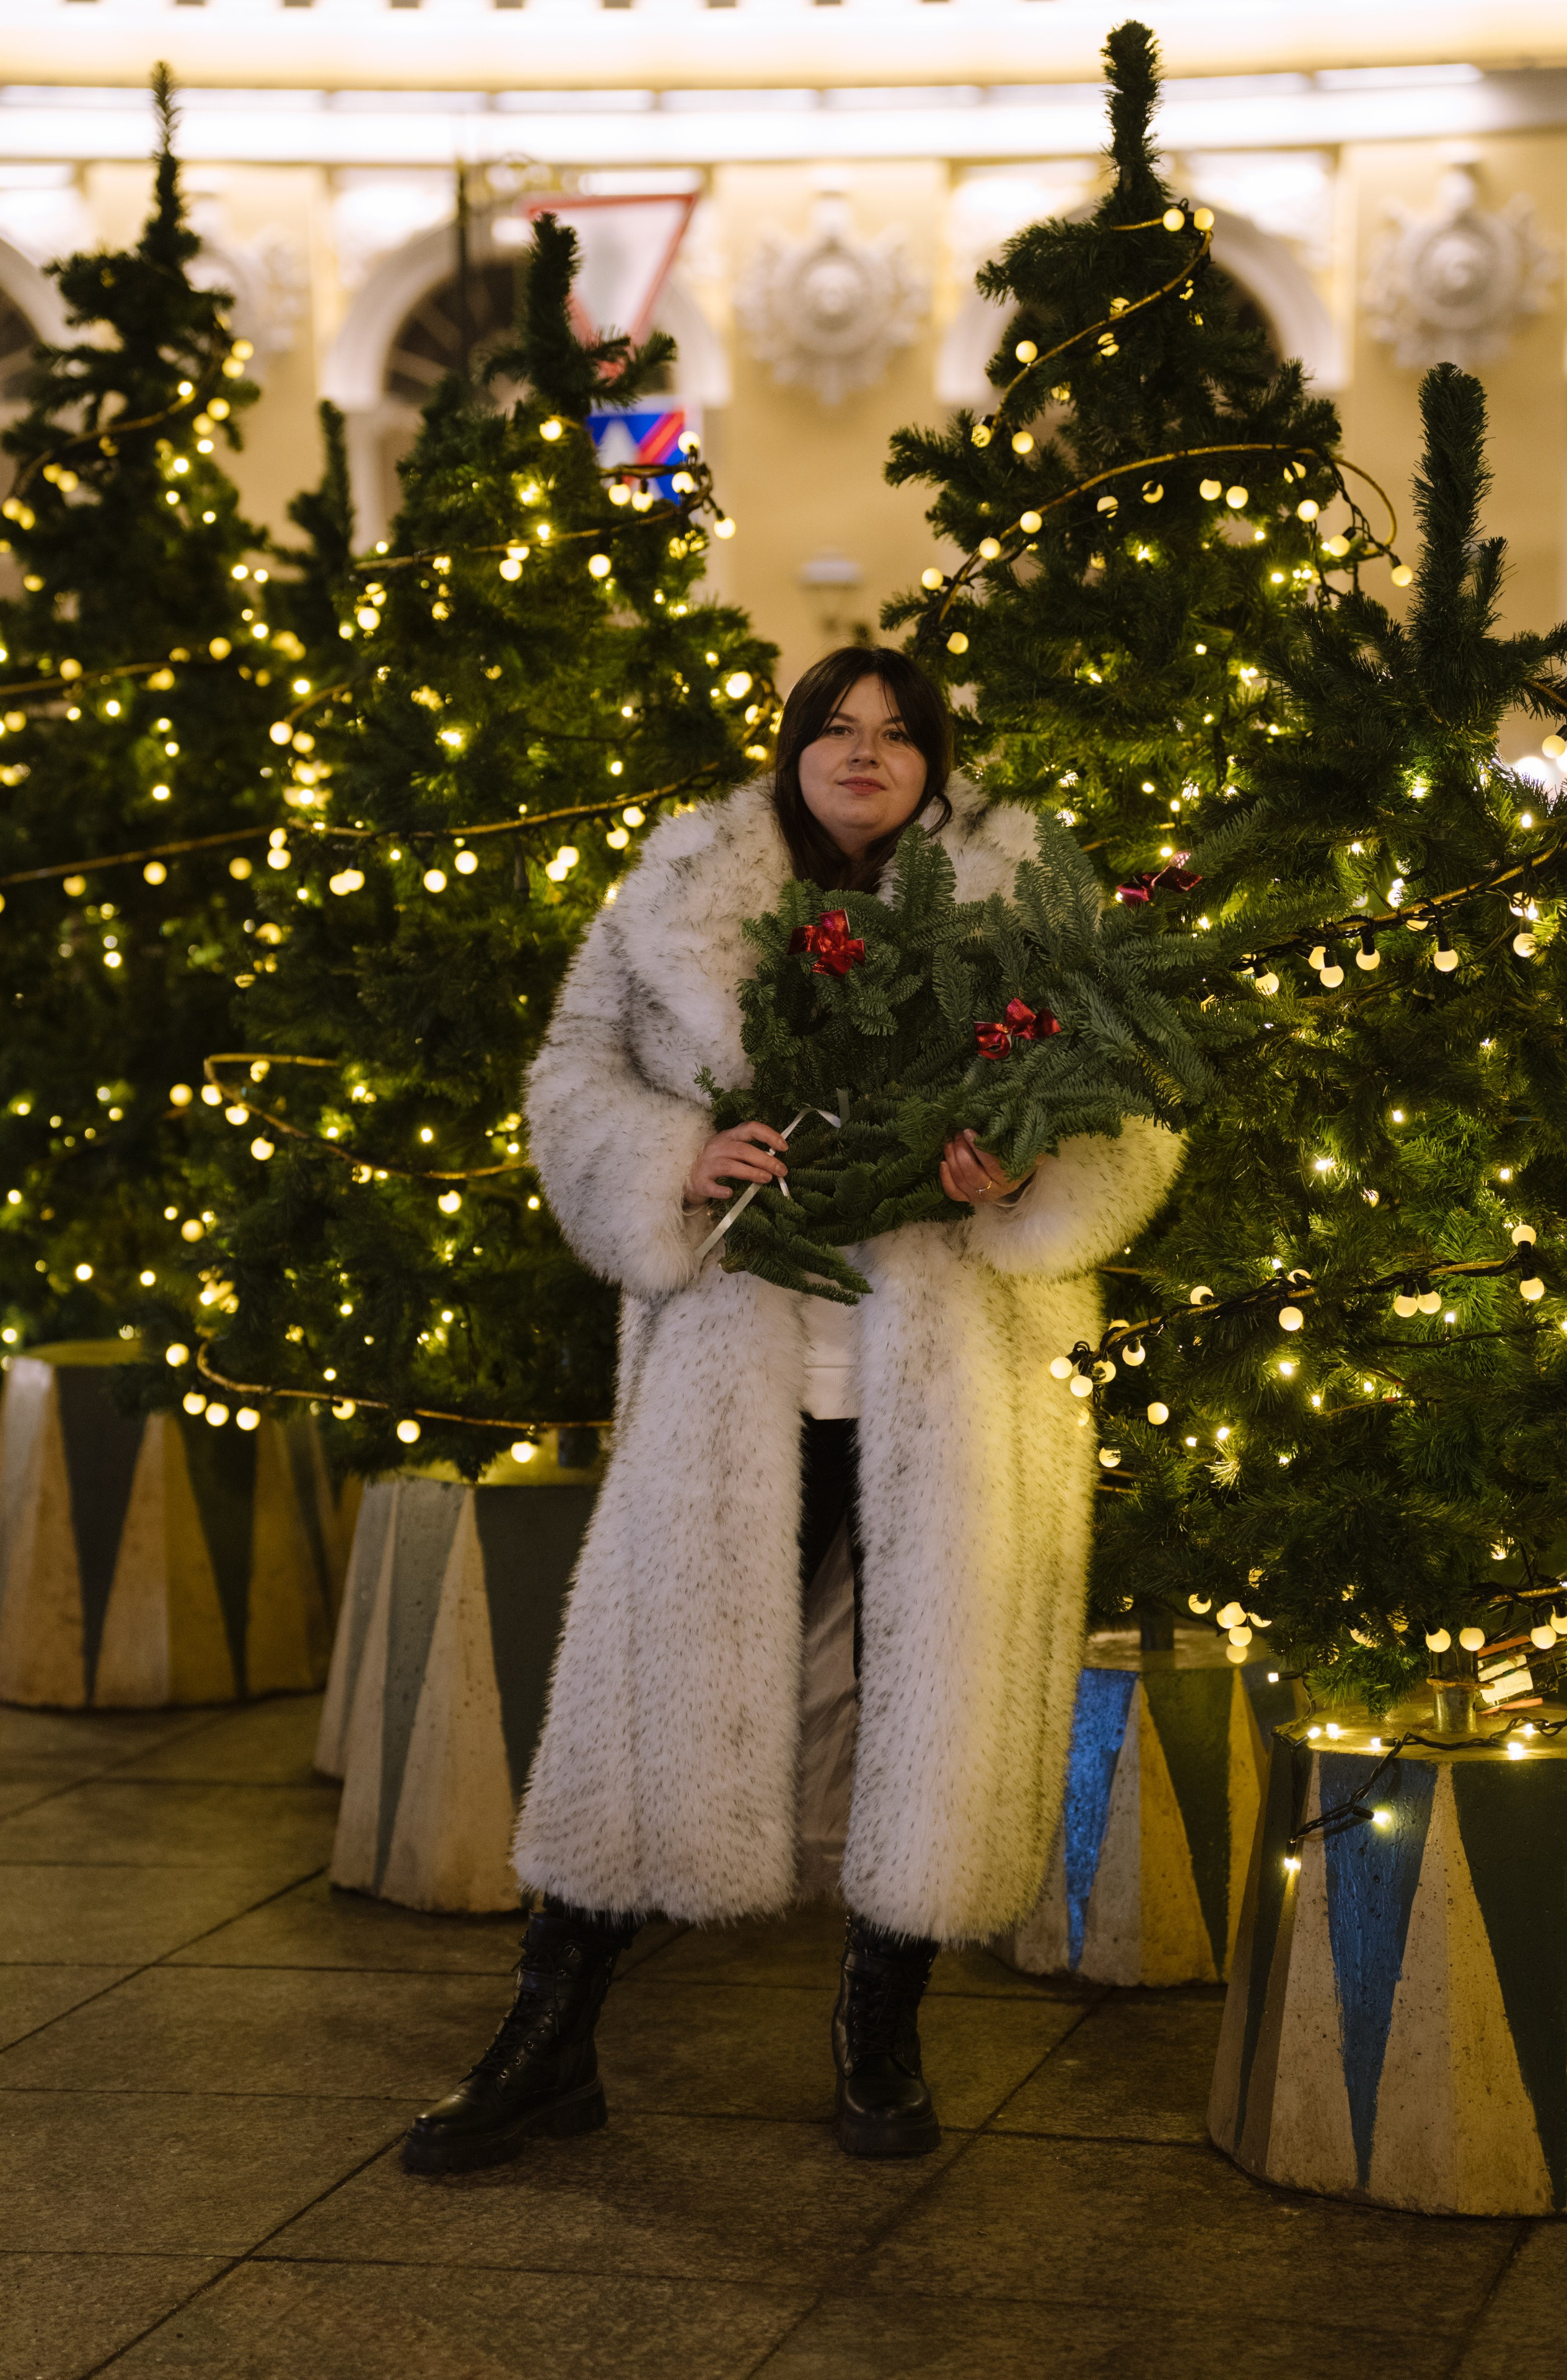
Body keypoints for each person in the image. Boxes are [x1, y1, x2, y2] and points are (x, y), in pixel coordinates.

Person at [402, 646, 1179, 2176]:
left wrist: (1022, 1174)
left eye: (897, 733)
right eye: (837, 727)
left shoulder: (1023, 895)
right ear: (794, 747)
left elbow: (1134, 1108)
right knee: (658, 1686)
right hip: (729, 1378)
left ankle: (878, 2036)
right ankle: (547, 2037)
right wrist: (670, 1156)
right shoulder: (683, 889)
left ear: (934, 758)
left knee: (927, 1714)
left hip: (949, 1383)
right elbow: (570, 1073)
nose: (865, 753)